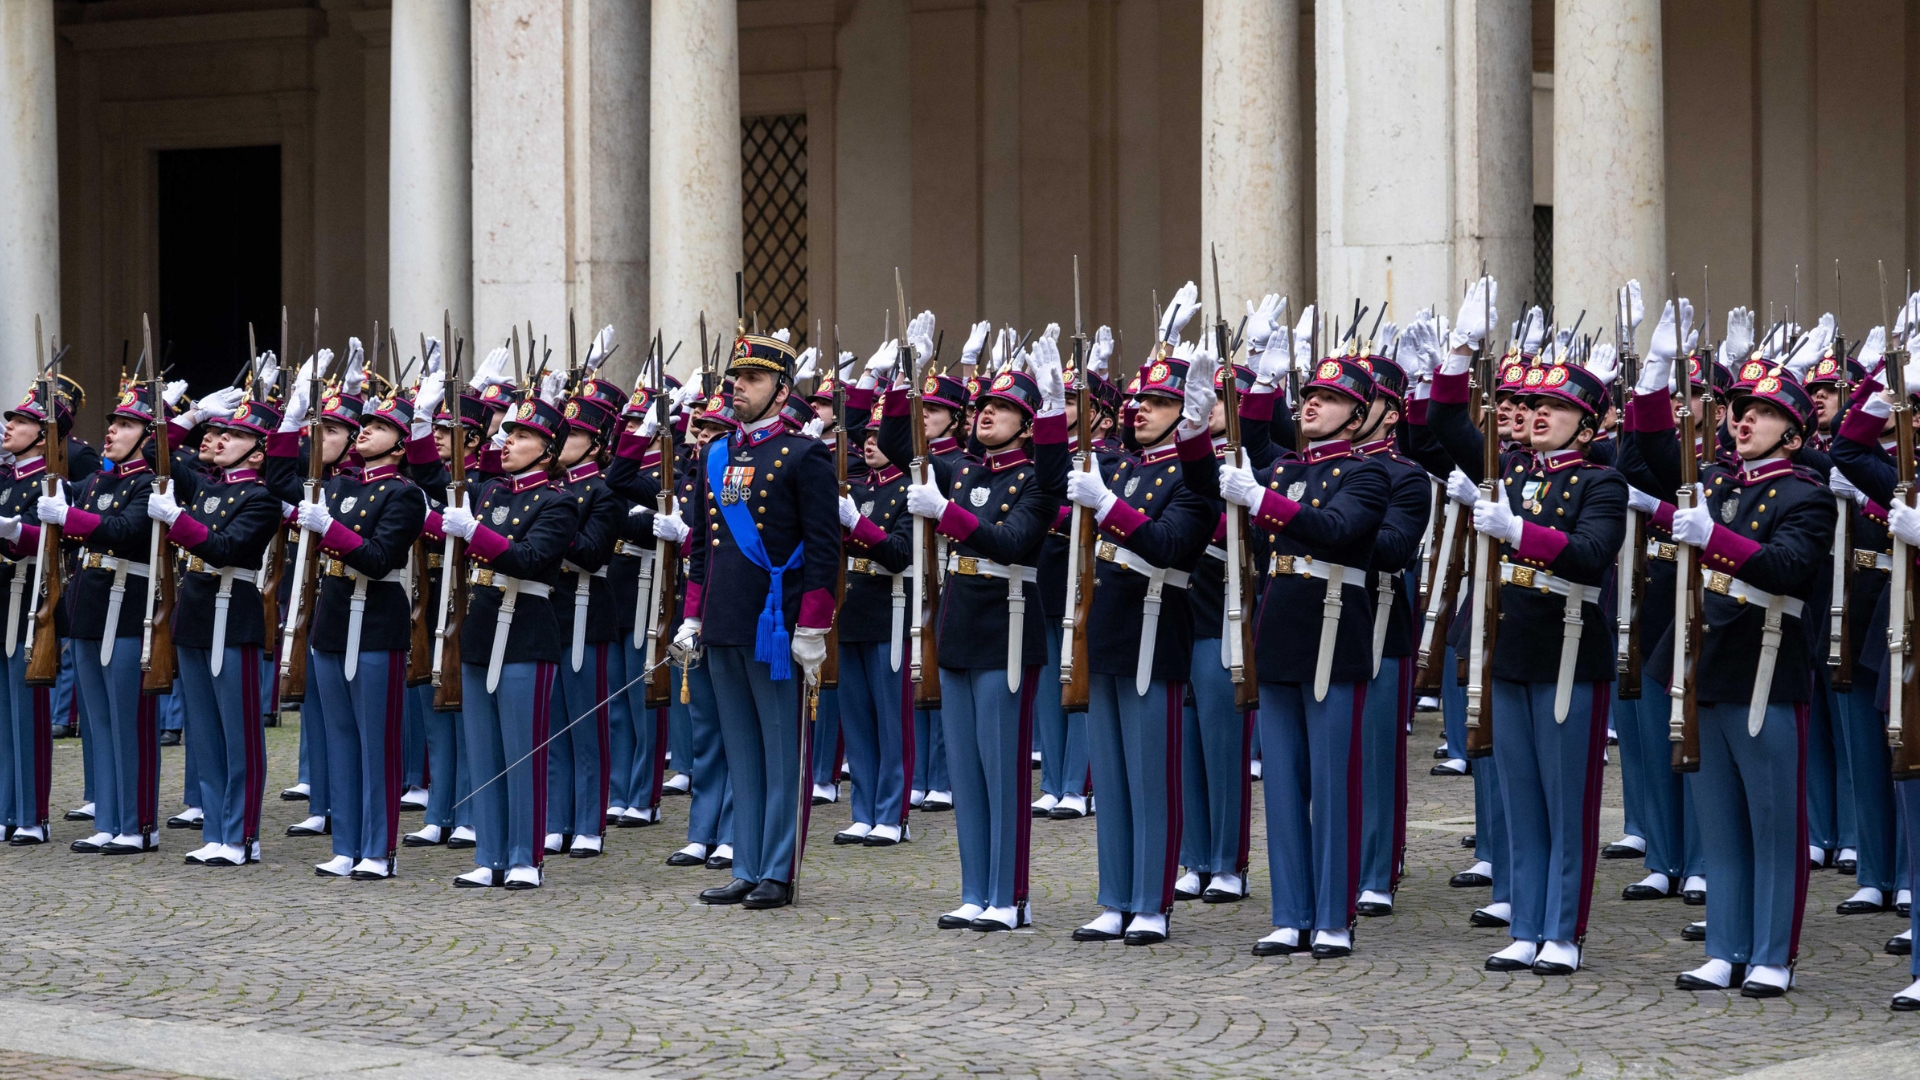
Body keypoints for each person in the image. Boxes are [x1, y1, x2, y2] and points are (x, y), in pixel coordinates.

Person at [1220, 343, 1390, 959]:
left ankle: (1334, 916)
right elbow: (1220, 462)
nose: (1314, 403)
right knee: (1284, 784)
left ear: (1358, 413)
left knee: (1332, 783)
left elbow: (1339, 531)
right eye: (1310, 395)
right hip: (1283, 631)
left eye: (1333, 398)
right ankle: (1290, 911)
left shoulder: (1369, 473)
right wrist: (1195, 424)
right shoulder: (1288, 469)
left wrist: (1263, 500)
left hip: (1334, 631)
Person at [898, 332, 1066, 931]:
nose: (987, 414)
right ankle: (976, 889)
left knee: (1003, 769)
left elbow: (1013, 542)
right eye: (984, 407)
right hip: (961, 629)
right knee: (968, 772)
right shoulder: (965, 471)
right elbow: (900, 446)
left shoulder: (1036, 483)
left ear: (1026, 426)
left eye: (1005, 409)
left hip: (1008, 632)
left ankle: (1010, 895)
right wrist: (904, 380)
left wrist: (945, 513)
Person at [1067, 284, 1217, 947]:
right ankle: (1114, 894)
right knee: (1114, 777)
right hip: (1113, 629)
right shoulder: (1121, 470)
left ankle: (1151, 901)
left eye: (1159, 403)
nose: (1143, 412)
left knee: (1151, 775)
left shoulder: (1192, 479)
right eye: (1141, 402)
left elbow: (1167, 546)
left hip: (1158, 631)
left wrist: (1108, 507)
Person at [667, 332, 838, 910]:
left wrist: (812, 627)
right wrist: (692, 617)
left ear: (781, 391)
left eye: (753, 380)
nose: (737, 388)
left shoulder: (804, 454)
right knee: (741, 749)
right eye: (734, 380)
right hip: (724, 621)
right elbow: (701, 551)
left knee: (781, 751)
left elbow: (823, 550)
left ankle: (778, 870)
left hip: (777, 627)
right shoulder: (716, 456)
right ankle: (745, 863)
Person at [438, 392, 581, 890]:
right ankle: (489, 853)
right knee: (483, 750)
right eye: (508, 433)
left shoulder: (558, 503)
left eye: (521, 436)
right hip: (482, 626)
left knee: (523, 753)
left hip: (526, 630)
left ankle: (525, 855)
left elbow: (529, 559)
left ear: (546, 450)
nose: (508, 442)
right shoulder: (492, 494)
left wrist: (475, 534)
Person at [287, 384, 427, 880]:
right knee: (339, 739)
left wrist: (330, 530)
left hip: (376, 621)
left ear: (401, 443)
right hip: (334, 618)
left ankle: (378, 849)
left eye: (381, 426)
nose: (365, 430)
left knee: (377, 742)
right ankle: (345, 844)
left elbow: (379, 558)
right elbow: (283, 478)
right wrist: (289, 422)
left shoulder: (406, 495)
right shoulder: (340, 486)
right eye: (365, 424)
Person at [146, 393, 284, 866]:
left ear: (258, 452)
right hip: (198, 612)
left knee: (239, 731)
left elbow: (227, 548)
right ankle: (215, 828)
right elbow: (152, 452)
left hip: (233, 610)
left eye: (237, 435)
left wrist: (179, 521)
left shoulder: (262, 498)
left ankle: (243, 834)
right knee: (203, 730)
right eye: (221, 432)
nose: (222, 440)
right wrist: (191, 415)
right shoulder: (206, 487)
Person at [45, 379, 171, 855]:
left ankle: (138, 824)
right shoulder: (99, 479)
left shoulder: (149, 483)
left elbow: (127, 529)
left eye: (124, 425)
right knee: (98, 723)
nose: (112, 431)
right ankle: (109, 817)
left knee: (130, 722)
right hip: (91, 607)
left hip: (126, 608)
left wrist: (69, 517)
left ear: (145, 435)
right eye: (113, 424)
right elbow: (62, 485)